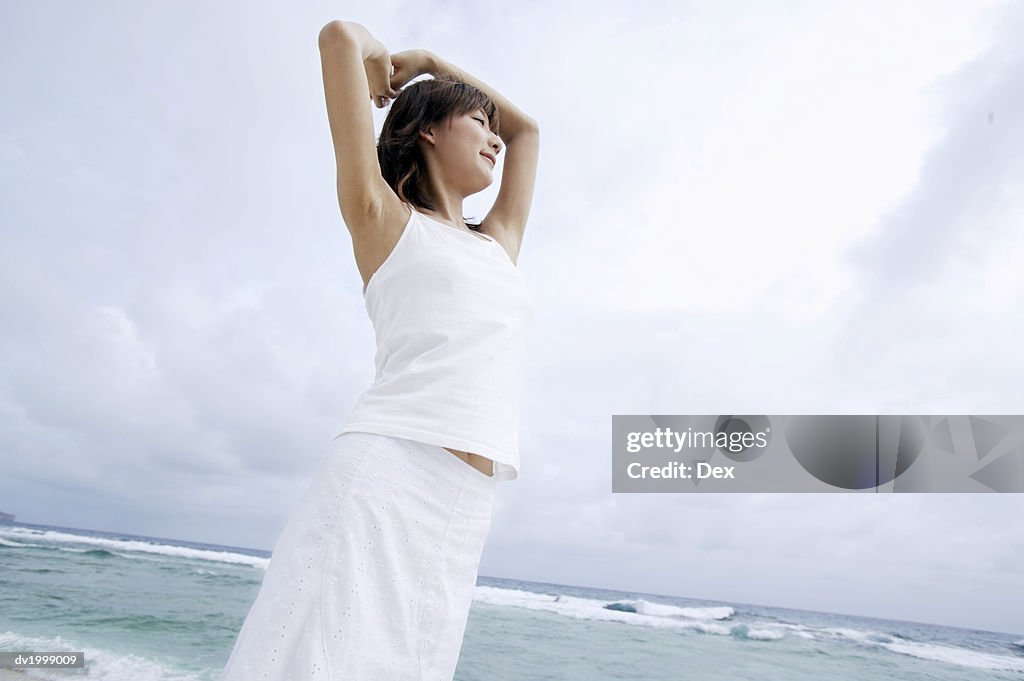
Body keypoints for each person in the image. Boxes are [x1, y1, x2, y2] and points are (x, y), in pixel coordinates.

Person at [218, 19, 539, 681]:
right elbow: (338, 37)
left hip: (464, 503)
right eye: (478, 122)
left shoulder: (497, 241)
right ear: (428, 129)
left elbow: (528, 131)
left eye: (489, 122)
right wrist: (403, 70)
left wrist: (434, 62)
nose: (495, 137)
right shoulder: (384, 220)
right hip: (386, 473)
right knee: (314, 658)